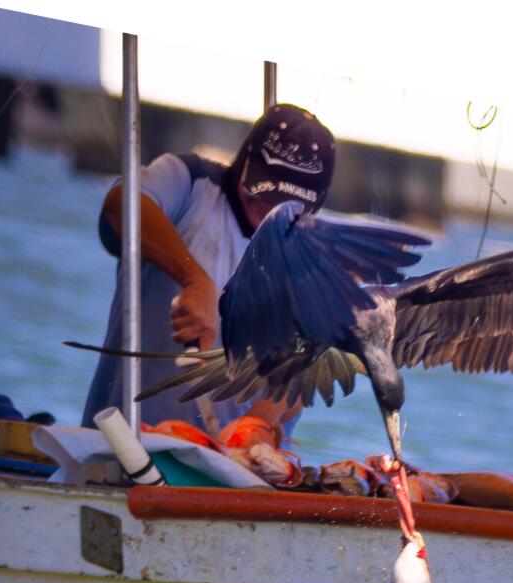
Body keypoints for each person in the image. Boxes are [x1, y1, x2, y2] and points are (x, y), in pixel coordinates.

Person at [81, 103, 336, 439]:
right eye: (264, 191)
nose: (270, 209)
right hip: (121, 451)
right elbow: (120, 204)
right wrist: (194, 278)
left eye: (286, 203)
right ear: (245, 161)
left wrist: (260, 424)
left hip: (236, 471)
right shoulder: (187, 181)